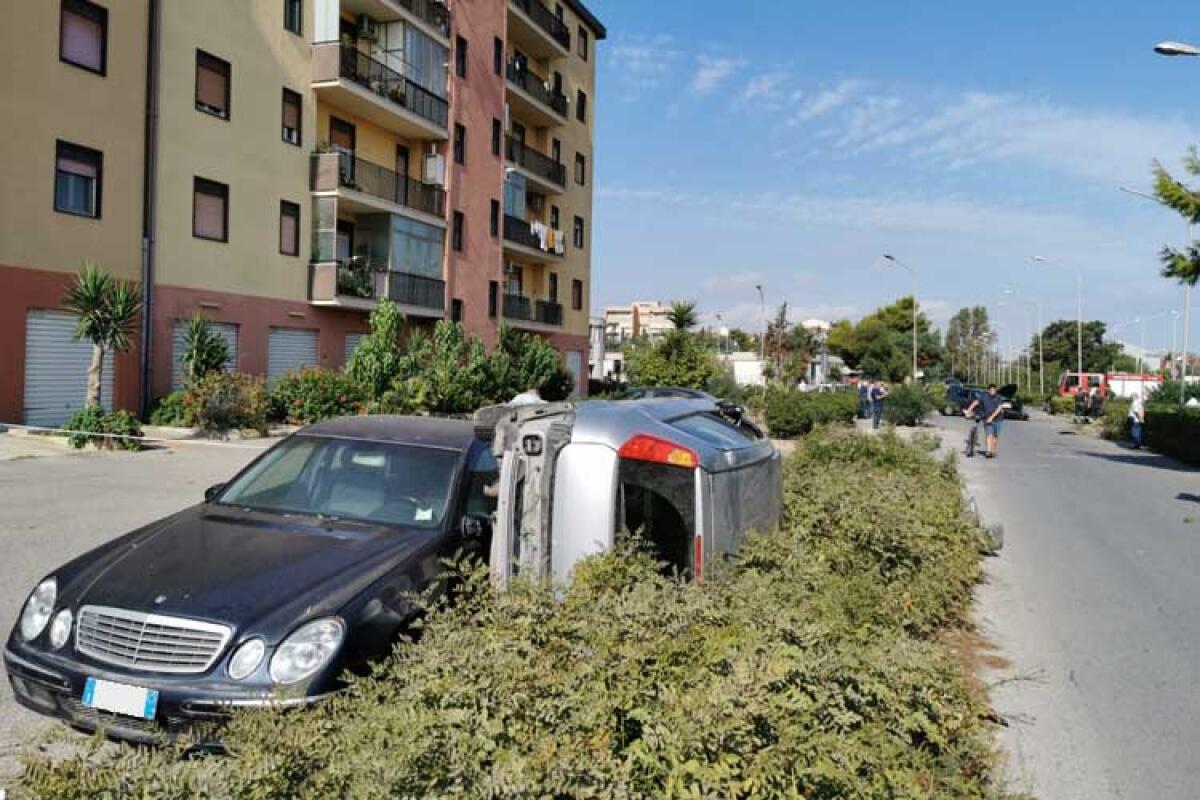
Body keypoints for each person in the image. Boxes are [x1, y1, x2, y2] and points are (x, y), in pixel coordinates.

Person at [964, 384, 1006, 458]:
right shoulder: (984, 397)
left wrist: (992, 418)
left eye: (994, 390)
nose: (992, 391)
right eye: (991, 390)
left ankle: (993, 450)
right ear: (988, 390)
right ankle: (988, 451)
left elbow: (999, 408)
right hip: (987, 418)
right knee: (989, 435)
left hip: (998, 419)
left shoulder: (998, 398)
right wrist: (968, 411)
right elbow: (975, 403)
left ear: (996, 391)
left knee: (995, 436)